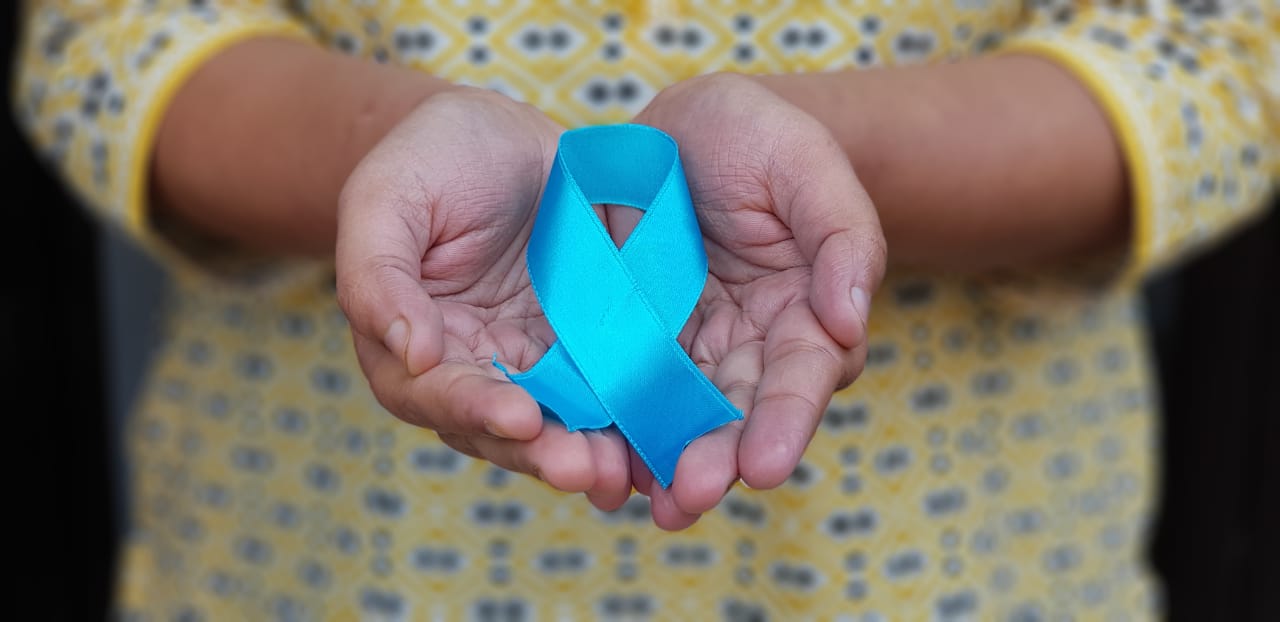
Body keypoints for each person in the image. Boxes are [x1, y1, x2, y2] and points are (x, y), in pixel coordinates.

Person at [13, 0, 1277, 619]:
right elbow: (116, 39)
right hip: (332, 558)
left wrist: (811, 179)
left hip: (944, 567)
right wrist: (392, 162)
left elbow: (1211, 59)